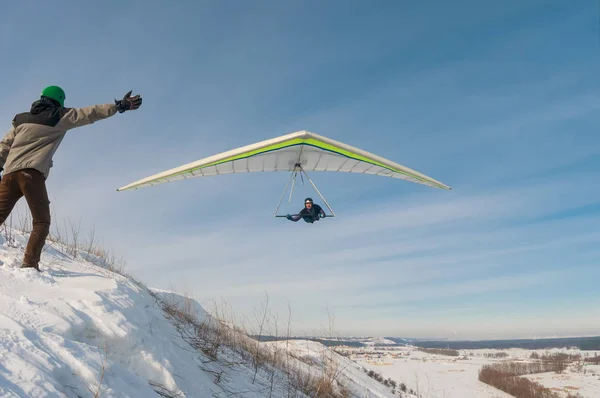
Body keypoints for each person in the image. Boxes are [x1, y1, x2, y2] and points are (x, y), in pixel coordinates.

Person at [0, 86, 142, 271]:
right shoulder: (59, 116)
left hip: (9, 175)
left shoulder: (20, 120)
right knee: (41, 222)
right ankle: (30, 264)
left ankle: (30, 263)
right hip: (31, 175)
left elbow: (4, 145)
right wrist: (119, 106)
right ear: (59, 100)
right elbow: (89, 113)